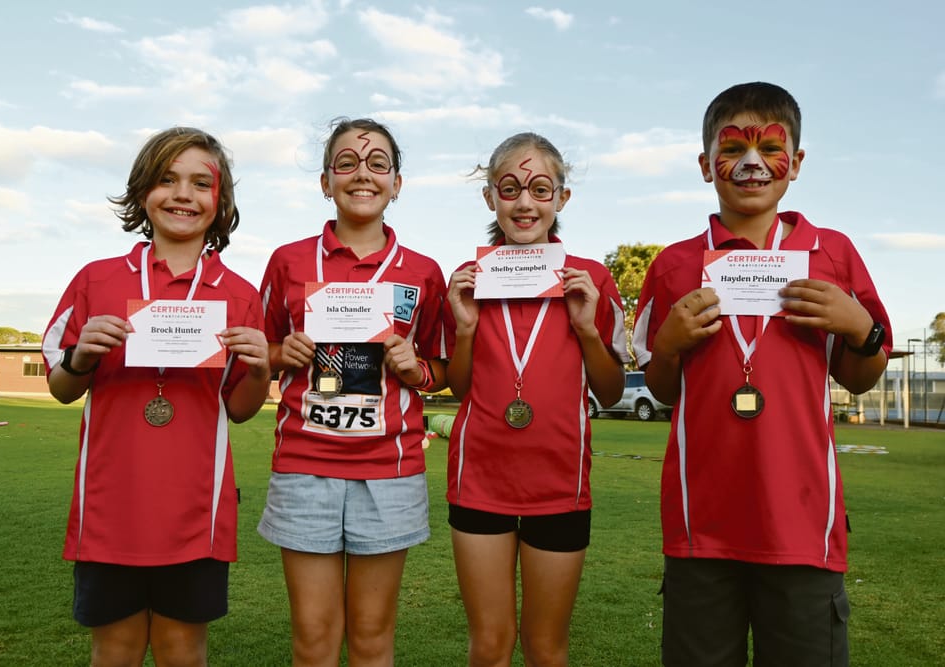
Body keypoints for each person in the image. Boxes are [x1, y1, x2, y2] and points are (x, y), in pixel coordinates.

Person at [632, 82, 892, 666]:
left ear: (795, 163)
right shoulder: (674, 264)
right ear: (706, 165)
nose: (752, 163)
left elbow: (861, 378)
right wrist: (668, 345)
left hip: (802, 525)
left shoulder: (833, 253)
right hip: (702, 525)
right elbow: (664, 389)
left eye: (770, 147)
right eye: (733, 149)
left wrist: (861, 328)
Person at [42, 127, 272, 667]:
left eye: (201, 183)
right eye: (167, 179)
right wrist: (81, 356)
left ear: (220, 201)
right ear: (143, 190)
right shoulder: (96, 280)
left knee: (182, 652)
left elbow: (240, 409)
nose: (182, 195)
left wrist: (262, 367)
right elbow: (61, 388)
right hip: (110, 509)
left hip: (195, 512)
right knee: (115, 651)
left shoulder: (240, 295)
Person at [257, 117, 448, 666]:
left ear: (397, 183)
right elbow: (260, 348)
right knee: (313, 639)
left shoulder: (423, 272)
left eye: (377, 164)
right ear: (326, 181)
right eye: (347, 163)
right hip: (305, 465)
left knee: (371, 637)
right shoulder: (288, 261)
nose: (362, 174)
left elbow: (445, 369)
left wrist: (416, 369)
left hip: (389, 470)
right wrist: (282, 352)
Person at [444, 132, 629, 666]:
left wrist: (587, 328)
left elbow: (611, 391)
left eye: (540, 190)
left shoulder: (592, 279)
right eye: (510, 189)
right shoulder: (469, 280)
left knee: (546, 648)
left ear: (561, 198)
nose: (525, 203)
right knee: (490, 645)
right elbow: (459, 387)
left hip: (559, 482)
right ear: (490, 198)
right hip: (479, 481)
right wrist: (464, 328)